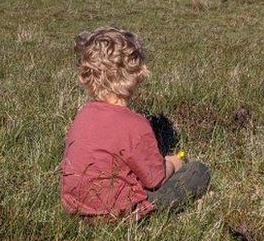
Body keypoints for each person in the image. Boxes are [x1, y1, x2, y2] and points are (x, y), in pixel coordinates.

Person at [60, 26, 210, 219]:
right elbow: (155, 180)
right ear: (138, 73)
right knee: (198, 171)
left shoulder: (83, 115)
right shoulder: (135, 124)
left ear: (86, 76)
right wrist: (173, 163)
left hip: (75, 208)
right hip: (118, 213)